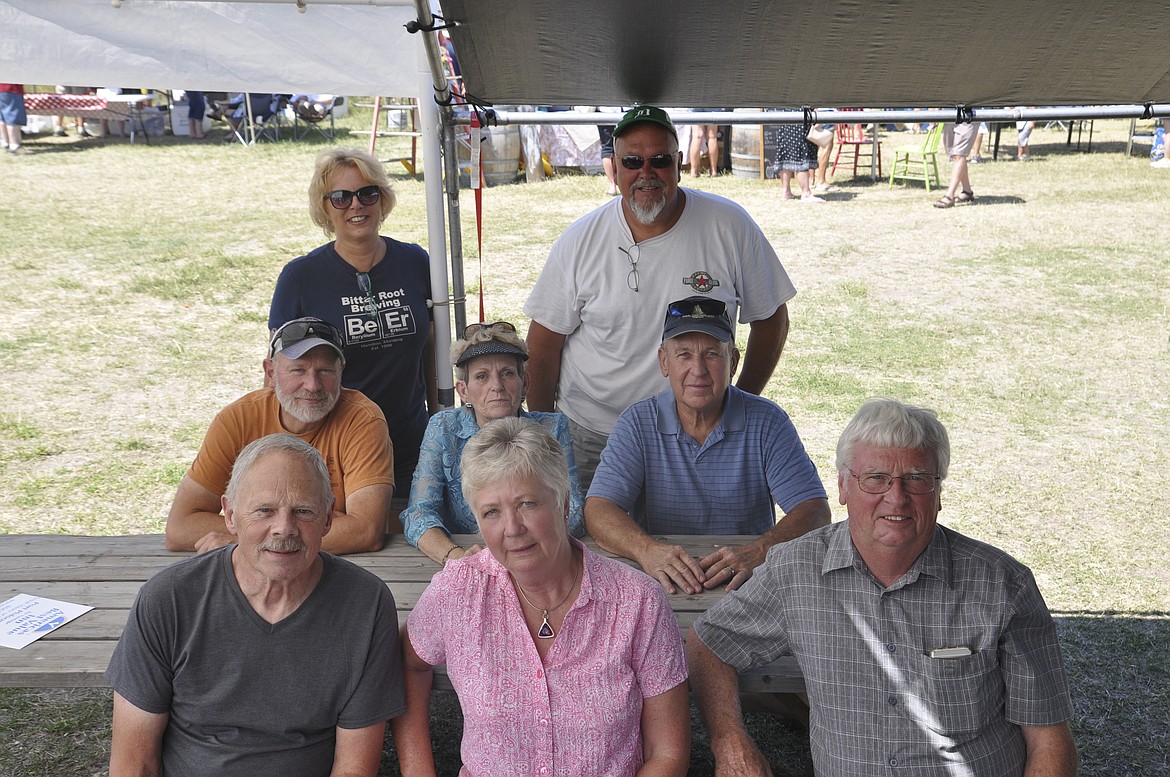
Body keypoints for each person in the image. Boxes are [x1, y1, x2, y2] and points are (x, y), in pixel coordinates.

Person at [687, 398, 1078, 776]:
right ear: (842, 487)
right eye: (876, 478)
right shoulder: (796, 570)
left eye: (916, 479)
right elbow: (709, 643)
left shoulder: (1003, 586)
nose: (897, 497)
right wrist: (730, 744)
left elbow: (1049, 739)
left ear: (938, 492)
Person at [391, 417, 690, 777]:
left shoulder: (637, 602)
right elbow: (410, 662)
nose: (513, 528)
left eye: (528, 503)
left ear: (564, 503)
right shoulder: (458, 592)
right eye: (492, 512)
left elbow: (668, 753)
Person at [525, 105, 796, 490]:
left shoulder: (729, 226)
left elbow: (772, 320)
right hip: (591, 434)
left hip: (694, 434)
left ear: (680, 163)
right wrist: (544, 433)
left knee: (696, 544)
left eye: (660, 160)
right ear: (614, 168)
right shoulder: (580, 241)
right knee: (588, 546)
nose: (646, 173)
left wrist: (737, 402)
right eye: (633, 161)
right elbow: (543, 344)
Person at [108, 434, 404, 777]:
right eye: (264, 510)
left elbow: (354, 767)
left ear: (327, 519)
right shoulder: (168, 599)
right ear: (231, 516)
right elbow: (134, 764)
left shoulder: (365, 604)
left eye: (303, 511)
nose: (283, 528)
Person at [586, 296, 831, 595]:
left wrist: (760, 551)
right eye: (684, 355)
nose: (698, 369)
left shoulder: (768, 422)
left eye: (712, 354)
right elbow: (598, 509)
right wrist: (647, 550)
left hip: (745, 587)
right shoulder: (637, 423)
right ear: (664, 362)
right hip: (665, 585)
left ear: (733, 363)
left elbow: (814, 511)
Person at [270, 147, 436, 524]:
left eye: (368, 193)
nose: (356, 205)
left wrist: (438, 422)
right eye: (341, 197)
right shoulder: (300, 278)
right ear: (324, 209)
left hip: (411, 444)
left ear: (383, 199)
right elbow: (279, 373)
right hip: (337, 452)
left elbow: (430, 349)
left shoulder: (415, 261)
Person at [166, 317, 393, 554]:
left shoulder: (363, 419)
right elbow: (180, 527)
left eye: (325, 370)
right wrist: (318, 525)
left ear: (341, 372)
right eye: (298, 370)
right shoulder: (237, 419)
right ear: (271, 373)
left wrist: (244, 538)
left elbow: (366, 531)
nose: (313, 385)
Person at [401, 320, 585, 565]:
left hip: (535, 553)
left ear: (525, 384)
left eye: (507, 373)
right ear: (463, 391)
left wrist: (515, 545)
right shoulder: (444, 428)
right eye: (482, 376)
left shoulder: (551, 429)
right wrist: (457, 557)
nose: (496, 386)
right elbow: (418, 513)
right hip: (470, 557)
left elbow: (572, 510)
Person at [775, 114, 824, 202]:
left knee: (786, 155)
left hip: (786, 117)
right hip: (800, 118)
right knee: (801, 157)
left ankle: (786, 191)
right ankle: (806, 193)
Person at [934, 121, 977, 208]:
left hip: (969, 114)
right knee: (954, 155)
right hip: (950, 113)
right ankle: (967, 191)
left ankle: (949, 195)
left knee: (959, 154)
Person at [688, 108, 722, 177]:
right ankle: (713, 171)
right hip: (713, 101)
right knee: (712, 136)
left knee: (697, 136)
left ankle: (694, 171)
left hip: (695, 101)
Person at [0, 83, 28, 155]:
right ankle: (14, 145)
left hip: (2, 89)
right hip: (12, 89)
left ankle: (5, 142)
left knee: (2, 117)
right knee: (12, 117)